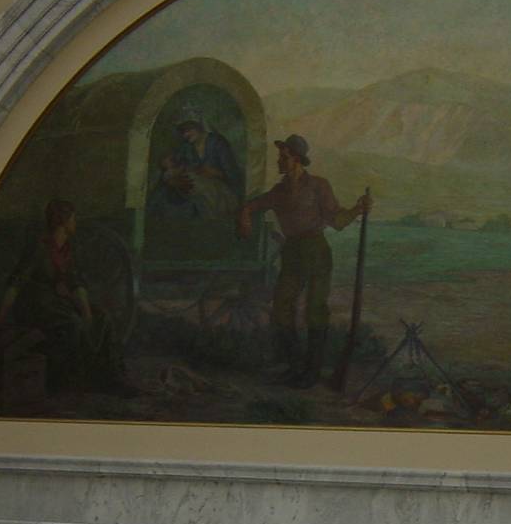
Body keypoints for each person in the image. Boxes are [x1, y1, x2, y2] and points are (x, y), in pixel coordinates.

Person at [237, 134, 371, 388]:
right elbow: (255, 204)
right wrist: (244, 214)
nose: (279, 161)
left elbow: (338, 221)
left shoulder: (319, 186)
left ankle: (312, 373)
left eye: (283, 157)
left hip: (316, 250)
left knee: (315, 309)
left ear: (297, 159)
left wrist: (357, 209)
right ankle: (295, 366)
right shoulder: (279, 190)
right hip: (292, 252)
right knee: (281, 306)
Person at [0, 199, 123, 393]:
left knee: (102, 317)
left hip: (60, 302)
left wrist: (87, 312)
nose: (75, 223)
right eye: (73, 219)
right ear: (63, 221)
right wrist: (1, 316)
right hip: (37, 305)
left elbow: (76, 283)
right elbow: (16, 283)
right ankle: (68, 381)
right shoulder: (39, 247)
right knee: (72, 323)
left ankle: (111, 377)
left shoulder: (69, 248)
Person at [150, 114, 243, 221]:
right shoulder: (186, 146)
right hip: (190, 184)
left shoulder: (217, 142)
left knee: (201, 192)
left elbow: (233, 174)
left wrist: (216, 173)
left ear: (199, 126)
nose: (186, 135)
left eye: (189, 130)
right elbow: (172, 166)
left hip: (218, 190)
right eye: (183, 132)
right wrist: (173, 179)